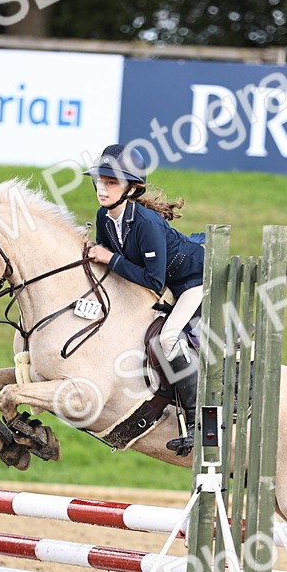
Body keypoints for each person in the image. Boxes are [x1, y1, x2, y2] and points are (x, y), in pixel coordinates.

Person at [84, 144, 205, 456]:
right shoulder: (104, 216)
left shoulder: (146, 222)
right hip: (164, 287)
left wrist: (109, 258)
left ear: (132, 188)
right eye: (100, 181)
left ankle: (196, 422)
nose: (103, 188)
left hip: (194, 281)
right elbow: (107, 265)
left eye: (112, 182)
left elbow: (153, 279)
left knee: (166, 339)